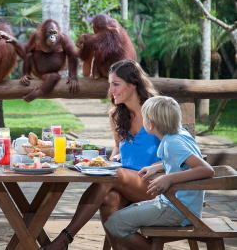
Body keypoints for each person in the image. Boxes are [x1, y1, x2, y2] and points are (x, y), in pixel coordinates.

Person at [44, 60, 160, 250]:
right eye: (110, 84)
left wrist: (157, 167)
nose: (111, 90)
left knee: (112, 174)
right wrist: (113, 158)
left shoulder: (155, 111)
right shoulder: (117, 115)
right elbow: (118, 148)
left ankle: (65, 238)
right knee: (109, 199)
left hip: (154, 185)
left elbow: (178, 149)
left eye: (116, 84)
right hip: (126, 184)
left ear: (132, 84)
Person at [104, 96, 214, 250]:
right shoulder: (178, 135)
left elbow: (206, 169)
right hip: (180, 205)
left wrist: (169, 178)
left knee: (115, 224)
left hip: (178, 210)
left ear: (151, 124)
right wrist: (157, 167)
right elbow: (184, 160)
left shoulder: (172, 143)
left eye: (144, 117)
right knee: (124, 216)